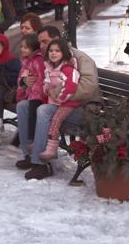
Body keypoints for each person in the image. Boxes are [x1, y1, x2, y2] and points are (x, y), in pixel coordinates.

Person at [17, 27, 102, 179]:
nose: (42, 46)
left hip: (82, 107)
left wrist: (57, 93)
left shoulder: (80, 58)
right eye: (40, 43)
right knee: (23, 106)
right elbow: (38, 78)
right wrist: (24, 81)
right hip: (59, 104)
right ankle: (29, 155)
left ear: (57, 39)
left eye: (45, 42)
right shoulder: (49, 59)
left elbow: (88, 87)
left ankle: (41, 164)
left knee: (43, 110)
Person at [37, 40, 82, 161]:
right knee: (41, 112)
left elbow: (71, 87)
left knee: (56, 119)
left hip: (69, 103)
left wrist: (60, 98)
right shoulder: (50, 69)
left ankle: (51, 149)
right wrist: (46, 90)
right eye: (51, 51)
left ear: (64, 53)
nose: (53, 53)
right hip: (56, 102)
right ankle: (40, 143)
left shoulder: (68, 69)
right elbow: (47, 83)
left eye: (57, 51)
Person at [14, 34, 46, 156]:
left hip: (38, 95)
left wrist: (35, 93)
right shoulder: (26, 61)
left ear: (33, 49)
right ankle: (27, 153)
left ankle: (31, 141)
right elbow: (21, 78)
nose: (22, 49)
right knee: (23, 107)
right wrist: (23, 83)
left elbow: (42, 79)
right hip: (30, 94)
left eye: (25, 47)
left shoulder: (38, 60)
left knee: (32, 112)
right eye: (21, 47)